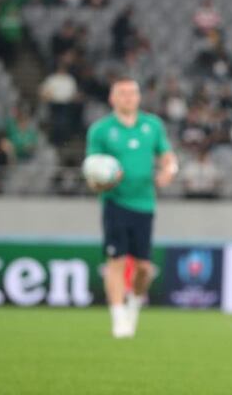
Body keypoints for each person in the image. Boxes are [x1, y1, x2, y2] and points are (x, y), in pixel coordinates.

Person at [85, 77, 178, 338]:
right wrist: (102, 181)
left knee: (144, 268)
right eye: (122, 93)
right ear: (112, 98)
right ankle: (117, 318)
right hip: (115, 203)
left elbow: (167, 156)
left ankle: (134, 304)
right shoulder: (101, 130)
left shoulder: (152, 125)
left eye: (132, 93)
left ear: (139, 97)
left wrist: (169, 171)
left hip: (145, 204)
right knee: (116, 261)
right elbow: (92, 171)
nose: (128, 97)